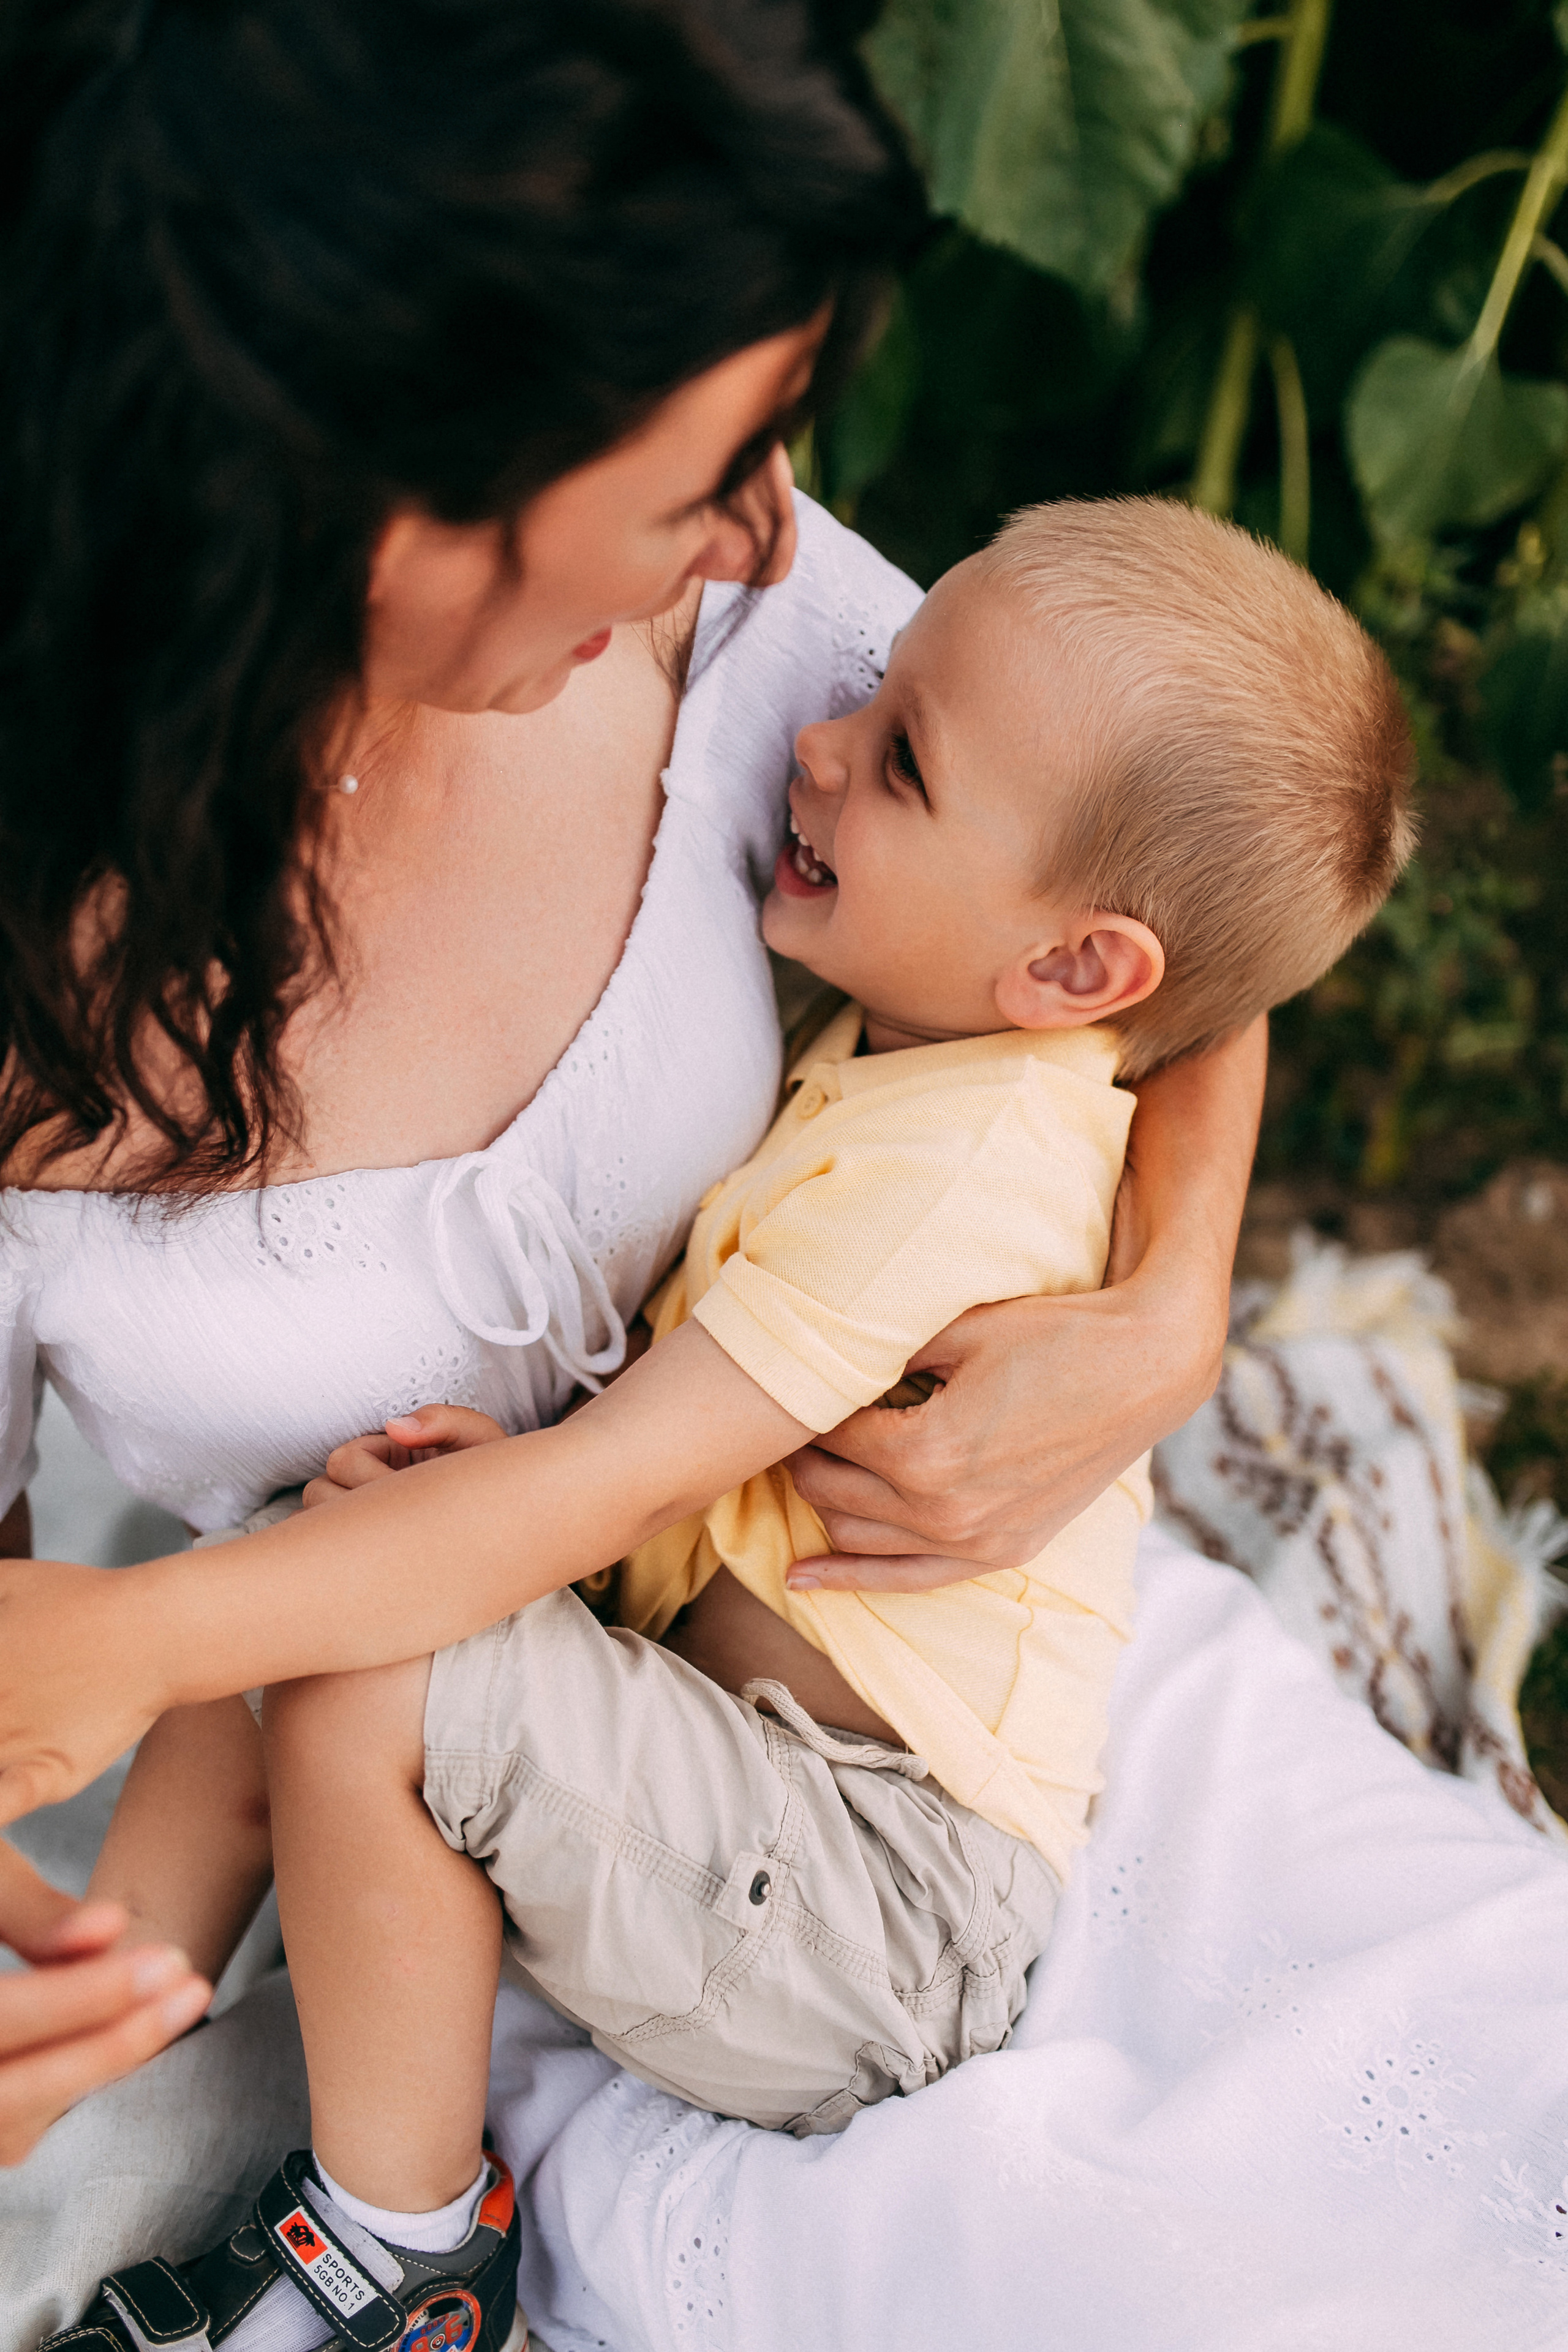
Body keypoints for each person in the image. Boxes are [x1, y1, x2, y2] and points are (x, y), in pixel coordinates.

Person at [0, 0, 1265, 2258]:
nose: (776, 539)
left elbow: (1170, 887)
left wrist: (1171, 1308)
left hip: (742, 1692)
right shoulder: (41, 954)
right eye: (714, 470)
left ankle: (389, 2252)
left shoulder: (767, 653)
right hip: (480, 1668)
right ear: (400, 481)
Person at [16, 497, 1413, 2352]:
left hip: (872, 1879)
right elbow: (1114, 853)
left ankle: (401, 2260)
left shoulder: (962, 1154)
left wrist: (1173, 1308)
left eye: (897, 756)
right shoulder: (930, 1025)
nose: (823, 740)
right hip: (715, 1732)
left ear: (1077, 974)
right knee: (304, 1565)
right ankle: (99, 2038)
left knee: (360, 1657)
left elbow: (609, 1480)